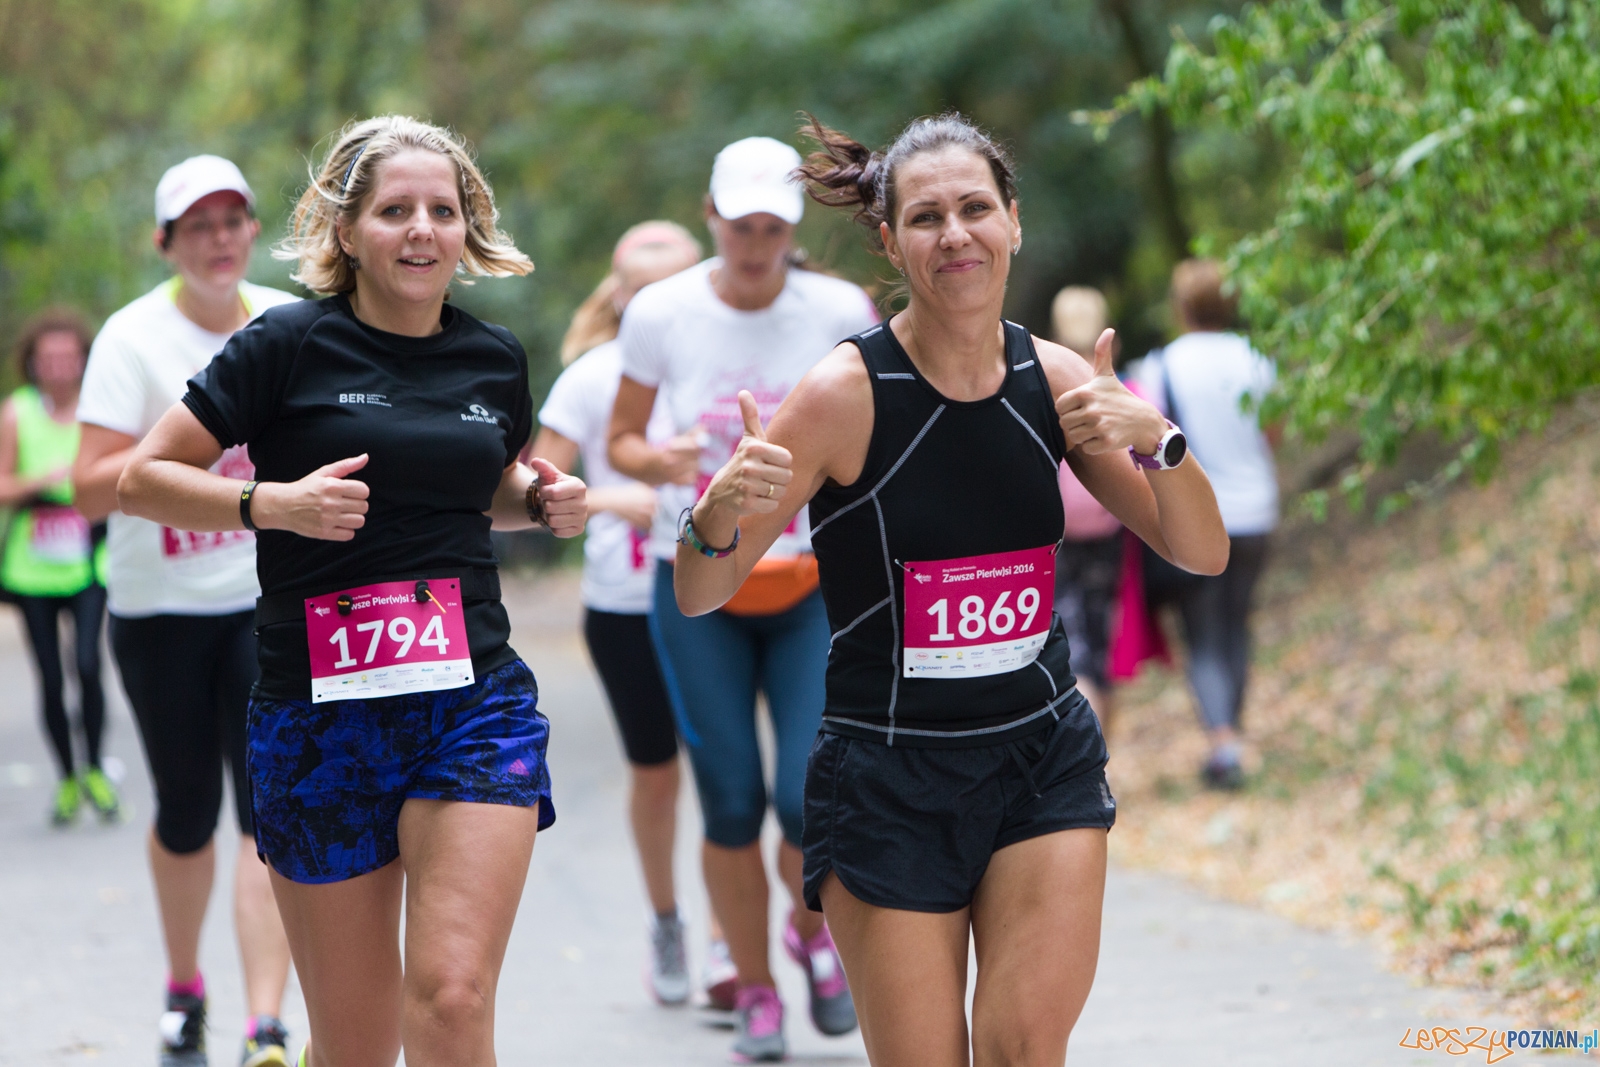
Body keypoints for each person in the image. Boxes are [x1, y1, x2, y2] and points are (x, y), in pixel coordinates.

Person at [673, 113, 1230, 1067]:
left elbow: (1199, 549)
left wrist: (1158, 438)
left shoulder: (1056, 381)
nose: (956, 234)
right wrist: (719, 509)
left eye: (976, 208)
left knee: (1023, 1047)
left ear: (1014, 220)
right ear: (890, 240)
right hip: (888, 779)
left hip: (1039, 758)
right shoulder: (845, 394)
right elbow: (699, 589)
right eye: (926, 217)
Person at [117, 115, 585, 1067]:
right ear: (346, 230)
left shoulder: (492, 356)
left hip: (471, 702)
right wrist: (270, 502)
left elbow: (477, 485)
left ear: (468, 231)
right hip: (320, 713)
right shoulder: (285, 344)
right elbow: (142, 477)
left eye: (443, 211)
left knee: (452, 997)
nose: (421, 230)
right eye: (395, 210)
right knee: (356, 1044)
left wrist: (537, 495)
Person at [609, 136, 876, 1060]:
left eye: (774, 225)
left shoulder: (839, 309)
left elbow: (876, 434)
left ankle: (809, 937)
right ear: (709, 217)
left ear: (793, 228)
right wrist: (670, 457)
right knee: (729, 800)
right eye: (741, 222)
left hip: (811, 586)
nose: (757, 241)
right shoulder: (659, 312)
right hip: (699, 588)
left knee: (809, 799)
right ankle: (756, 989)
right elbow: (624, 441)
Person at [71, 155, 300, 1067]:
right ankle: (183, 986)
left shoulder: (289, 321)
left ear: (251, 231)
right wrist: (190, 460)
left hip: (265, 605)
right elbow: (92, 490)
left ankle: (266, 1022)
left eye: (232, 219)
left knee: (267, 810)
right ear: (165, 242)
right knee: (184, 809)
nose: (218, 238)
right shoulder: (131, 340)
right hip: (159, 612)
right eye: (196, 224)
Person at [530, 219, 705, 1004]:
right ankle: (667, 918)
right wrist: (609, 497)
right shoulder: (594, 377)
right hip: (627, 603)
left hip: (724, 598)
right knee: (658, 772)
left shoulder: (726, 360)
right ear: (622, 295)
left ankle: (736, 941)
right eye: (645, 292)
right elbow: (531, 484)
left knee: (730, 773)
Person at [1134, 258, 1279, 789]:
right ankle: (1231, 736)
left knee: (1203, 632)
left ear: (1181, 308)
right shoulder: (1257, 359)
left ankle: (1223, 742)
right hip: (1258, 509)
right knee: (1237, 623)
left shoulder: (1161, 365)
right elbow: (1274, 431)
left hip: (1202, 515)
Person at [0, 308, 115, 826]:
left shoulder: (100, 408)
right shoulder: (17, 412)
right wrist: (41, 480)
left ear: (85, 361)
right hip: (33, 567)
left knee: (88, 665)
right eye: (48, 358)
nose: (59, 367)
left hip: (90, 561)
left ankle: (95, 768)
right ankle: (67, 777)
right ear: (32, 363)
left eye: (69, 357)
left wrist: (83, 484)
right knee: (49, 676)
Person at [1049, 287, 1124, 733]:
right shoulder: (1119, 387)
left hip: (1057, 535)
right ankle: (1102, 759)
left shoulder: (1048, 380)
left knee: (1072, 649)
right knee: (1100, 647)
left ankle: (1087, 757)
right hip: (1109, 526)